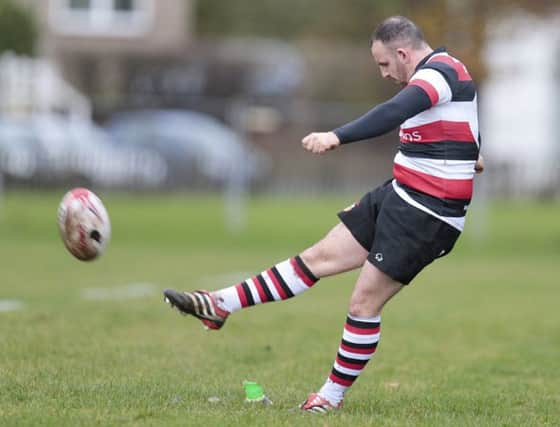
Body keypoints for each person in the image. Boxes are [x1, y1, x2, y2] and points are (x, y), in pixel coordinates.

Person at [163, 15, 484, 413]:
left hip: (428, 213)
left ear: (403, 53)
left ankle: (329, 399)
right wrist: (471, 153)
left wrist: (337, 136)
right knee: (315, 259)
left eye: (385, 64)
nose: (384, 73)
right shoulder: (444, 76)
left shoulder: (437, 74)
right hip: (400, 192)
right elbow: (462, 124)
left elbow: (394, 111)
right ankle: (220, 303)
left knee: (363, 304)